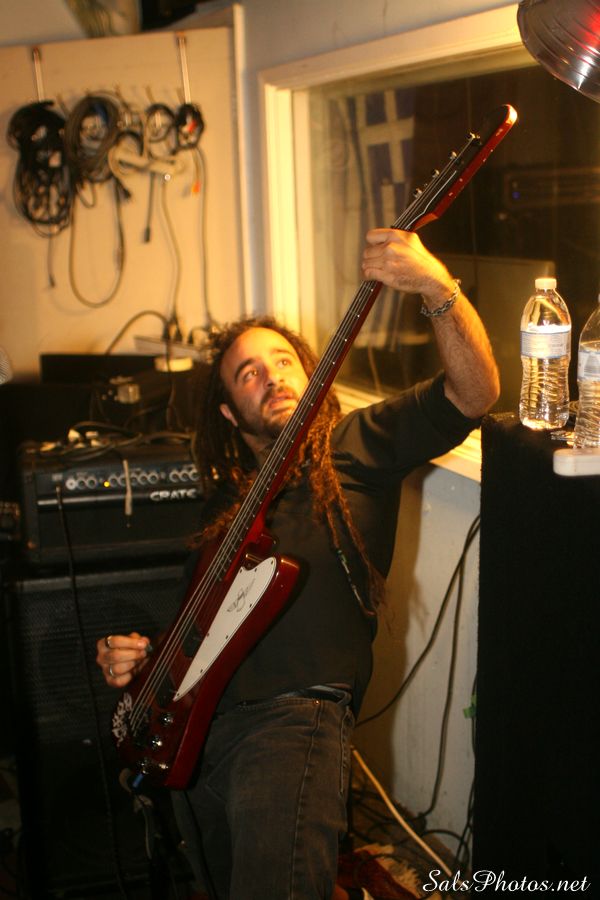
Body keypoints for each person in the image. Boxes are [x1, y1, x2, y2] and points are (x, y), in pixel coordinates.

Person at [96, 228, 499, 900]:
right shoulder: (222, 512)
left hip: (289, 723)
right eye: (248, 373)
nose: (272, 376)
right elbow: (197, 637)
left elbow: (475, 392)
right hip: (197, 737)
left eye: (283, 361)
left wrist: (435, 286)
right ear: (230, 413)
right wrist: (138, 660)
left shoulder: (355, 444)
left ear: (313, 375)